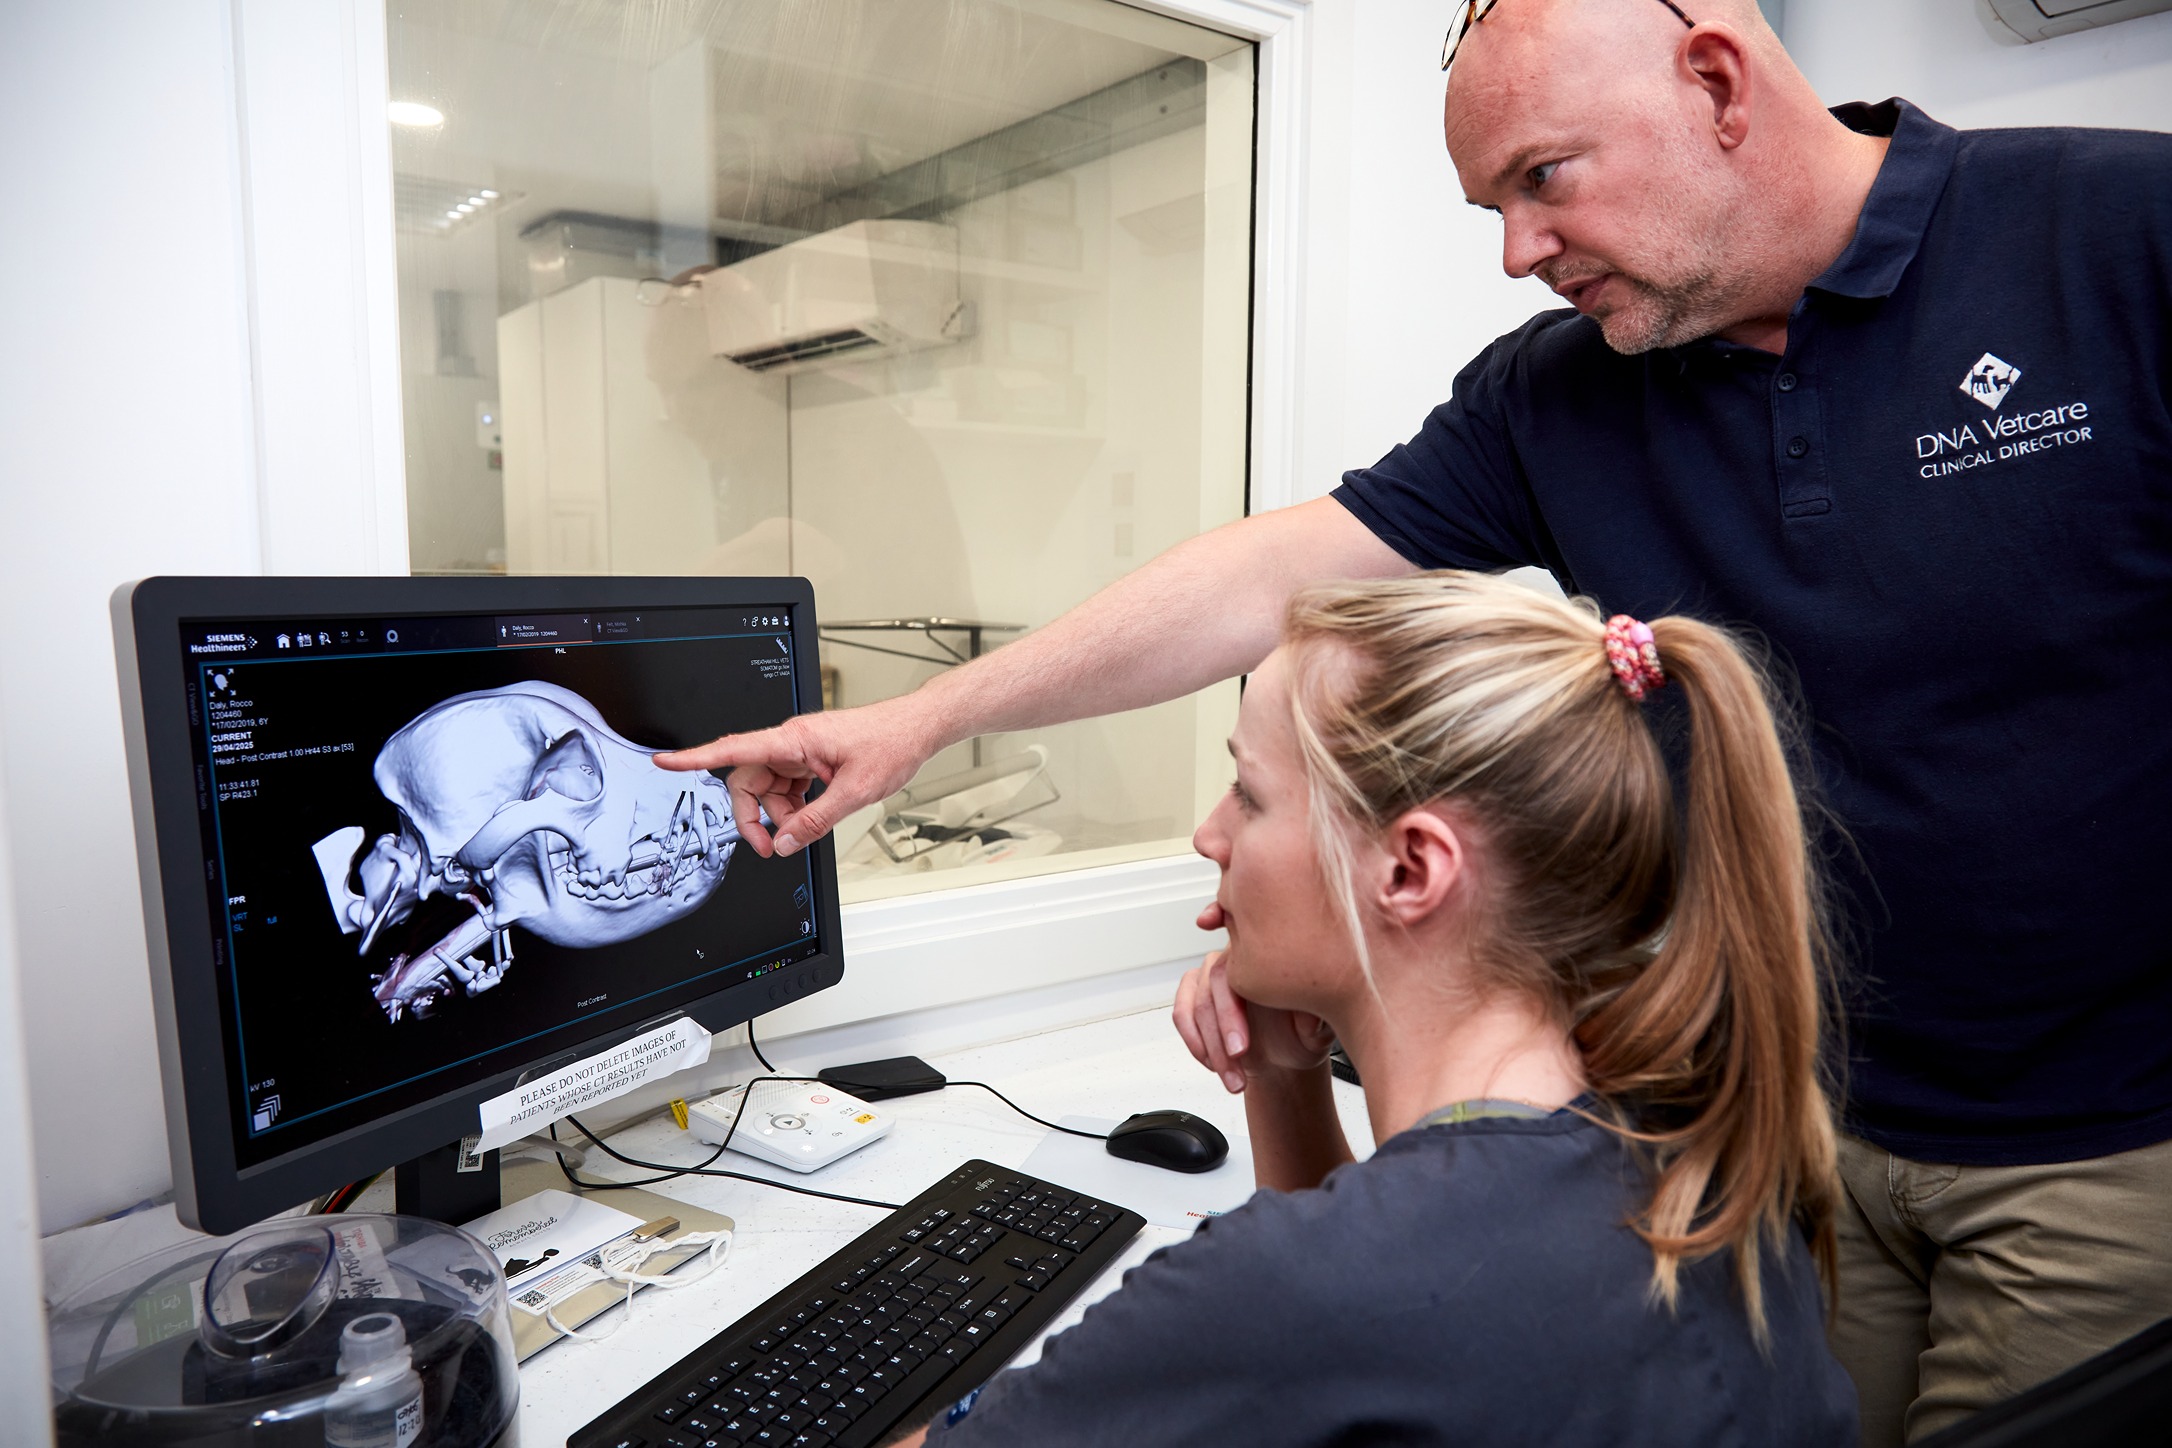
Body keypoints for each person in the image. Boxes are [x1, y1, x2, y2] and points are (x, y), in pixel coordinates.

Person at [664, 2, 2172, 1439]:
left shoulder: (2111, 237)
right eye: (1492, 210)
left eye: (1543, 181)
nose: (1522, 253)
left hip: (2107, 1131)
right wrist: (925, 721)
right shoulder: (1562, 396)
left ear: (1715, 83)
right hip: (1784, 1110)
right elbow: (1266, 575)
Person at [879, 571, 1855, 1446]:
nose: (1208, 832)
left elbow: (1321, 1297)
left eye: (1249, 796)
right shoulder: (1696, 1149)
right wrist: (1281, 1070)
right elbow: (1363, 1293)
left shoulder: (1302, 1287)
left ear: (1410, 867)